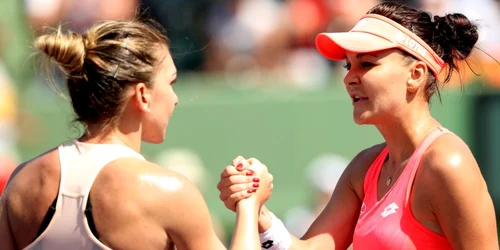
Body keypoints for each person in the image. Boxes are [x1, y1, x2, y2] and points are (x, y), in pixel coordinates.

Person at [217, 2, 498, 249]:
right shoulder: (363, 168)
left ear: (415, 75)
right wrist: (257, 210)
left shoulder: (448, 162)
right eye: (347, 66)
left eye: (366, 64)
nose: (350, 78)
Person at [0, 17, 272, 250]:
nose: (176, 98)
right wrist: (249, 203)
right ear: (142, 95)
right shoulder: (169, 191)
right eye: (171, 82)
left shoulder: (21, 183)